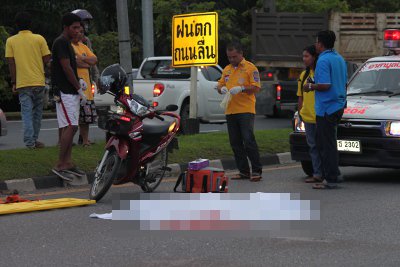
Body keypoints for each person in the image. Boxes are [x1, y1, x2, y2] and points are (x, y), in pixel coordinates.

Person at [303, 30, 347, 189]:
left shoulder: (323, 60)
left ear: (320, 44)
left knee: (325, 145)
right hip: (339, 105)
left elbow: (325, 85)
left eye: (316, 42)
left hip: (326, 108)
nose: (315, 44)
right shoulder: (339, 58)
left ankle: (330, 179)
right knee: (330, 143)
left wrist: (310, 86)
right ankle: (335, 174)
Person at [217, 42, 263, 182]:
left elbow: (256, 88)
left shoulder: (250, 68)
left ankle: (256, 171)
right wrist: (221, 89)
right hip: (230, 110)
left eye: (234, 57)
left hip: (245, 110)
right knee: (235, 142)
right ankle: (243, 171)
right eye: (229, 57)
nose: (231, 60)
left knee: (248, 140)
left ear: (241, 54)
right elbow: (220, 84)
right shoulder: (227, 69)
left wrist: (242, 88)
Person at [5, 11, 51, 149]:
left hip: (23, 83)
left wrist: (14, 82)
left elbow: (11, 63)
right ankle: (34, 140)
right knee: (37, 113)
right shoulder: (39, 39)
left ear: (17, 25)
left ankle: (29, 142)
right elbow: (47, 59)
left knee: (26, 113)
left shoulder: (11, 41)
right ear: (31, 24)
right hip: (39, 81)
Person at [51, 13, 87, 181]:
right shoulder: (61, 43)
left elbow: (71, 66)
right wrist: (79, 87)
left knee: (71, 126)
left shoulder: (67, 43)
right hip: (65, 92)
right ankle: (60, 164)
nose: (78, 30)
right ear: (65, 27)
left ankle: (67, 162)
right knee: (71, 127)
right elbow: (66, 68)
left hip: (70, 91)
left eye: (79, 27)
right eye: (74, 27)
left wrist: (78, 83)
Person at [297, 45, 322, 183]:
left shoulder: (320, 73)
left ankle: (325, 172)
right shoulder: (303, 75)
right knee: (312, 146)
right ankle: (317, 173)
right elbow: (300, 96)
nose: (304, 59)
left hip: (320, 116)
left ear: (314, 57)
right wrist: (300, 112)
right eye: (303, 56)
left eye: (307, 56)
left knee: (322, 146)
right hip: (307, 117)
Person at [71, 26, 98, 147]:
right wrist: (86, 63)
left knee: (86, 118)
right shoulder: (69, 46)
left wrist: (82, 58)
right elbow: (74, 62)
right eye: (78, 32)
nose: (80, 34)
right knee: (73, 117)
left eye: (82, 32)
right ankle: (67, 141)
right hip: (75, 87)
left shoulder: (84, 47)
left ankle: (85, 140)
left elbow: (94, 60)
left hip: (86, 89)